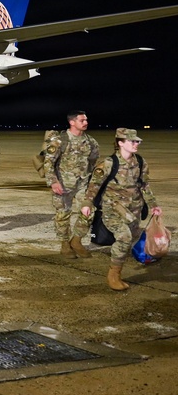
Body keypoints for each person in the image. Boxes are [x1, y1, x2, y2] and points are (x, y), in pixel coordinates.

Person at [80, 129, 162, 291]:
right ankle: (113, 275)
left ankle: (119, 268)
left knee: (129, 239)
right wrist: (87, 203)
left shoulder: (140, 161)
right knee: (124, 238)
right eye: (132, 141)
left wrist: (153, 205)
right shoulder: (108, 164)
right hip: (113, 210)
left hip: (134, 211)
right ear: (120, 143)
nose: (136, 144)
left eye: (137, 141)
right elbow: (93, 186)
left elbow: (144, 185)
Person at [44, 111, 100, 258]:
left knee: (88, 212)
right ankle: (64, 244)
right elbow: (48, 163)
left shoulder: (91, 142)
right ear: (72, 122)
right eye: (82, 120)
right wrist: (53, 182)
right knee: (63, 214)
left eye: (86, 119)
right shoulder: (59, 140)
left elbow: (93, 162)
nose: (86, 122)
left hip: (83, 184)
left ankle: (76, 240)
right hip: (63, 184)